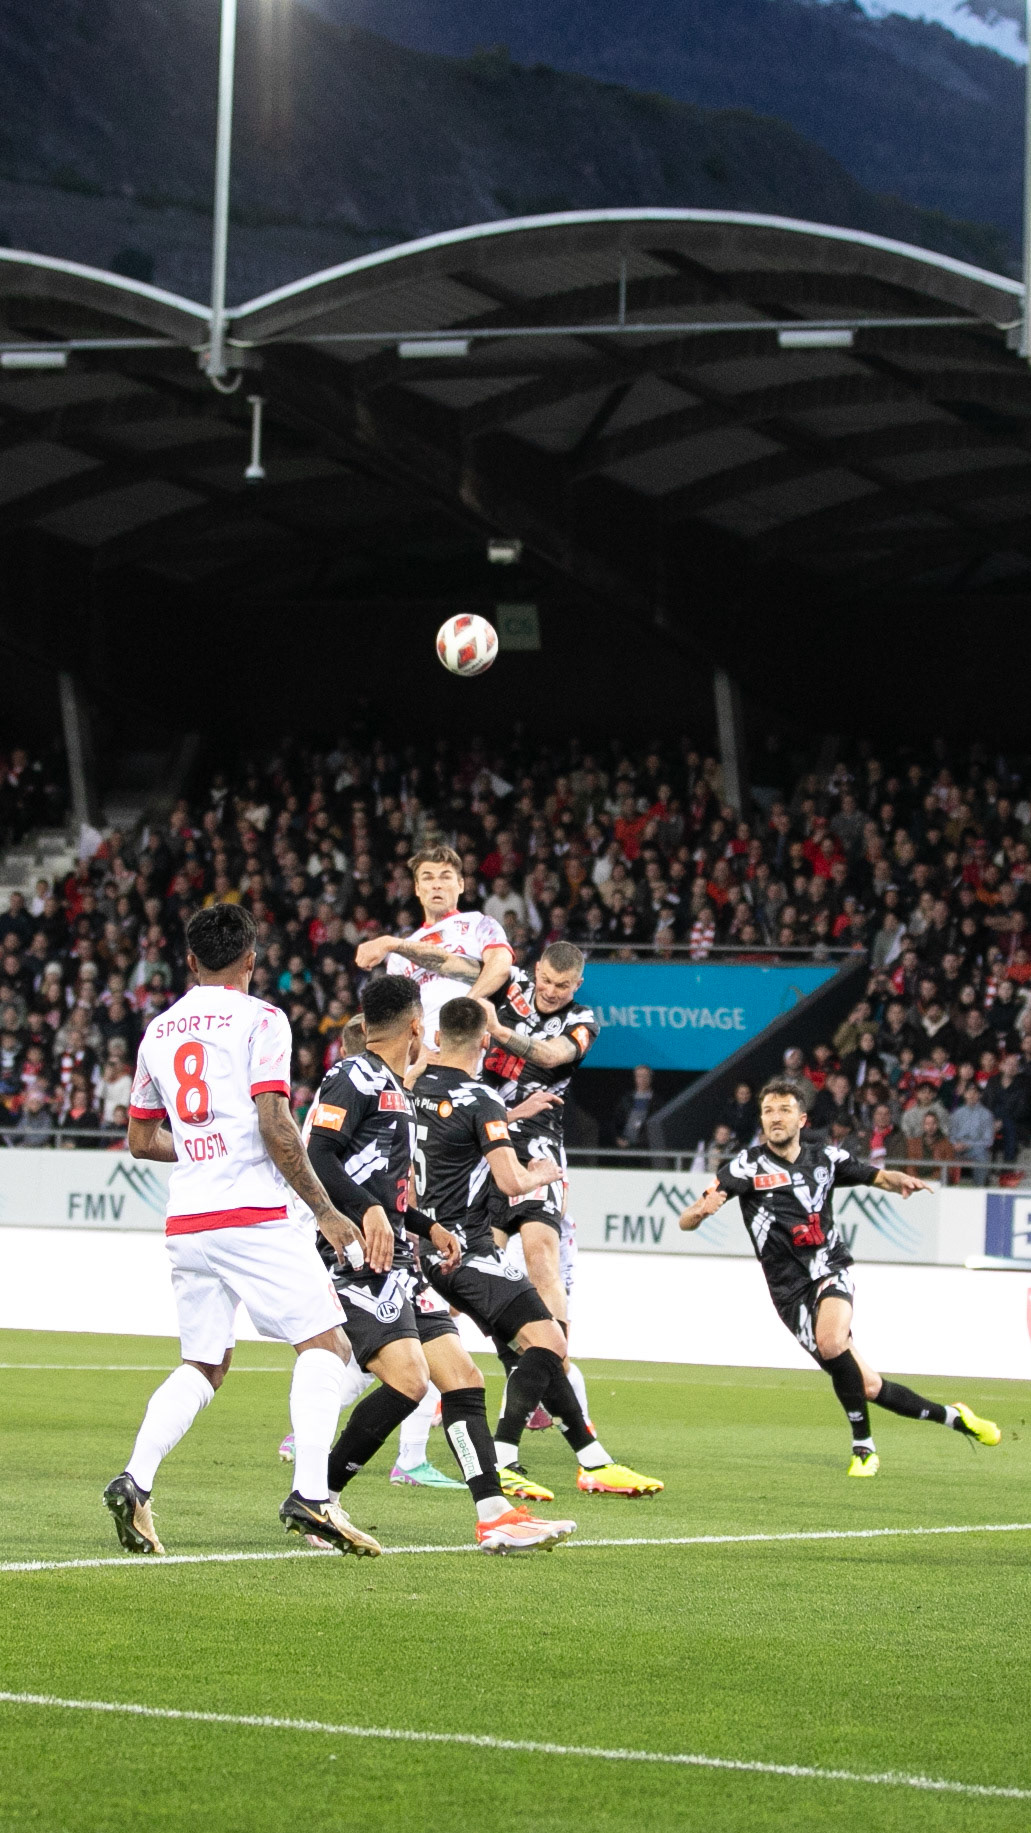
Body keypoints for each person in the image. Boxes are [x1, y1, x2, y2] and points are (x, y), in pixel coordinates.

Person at [104, 903, 380, 1561]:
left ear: (190, 960)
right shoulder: (262, 1019)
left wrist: (203, 1150)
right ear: (251, 960)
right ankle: (311, 1494)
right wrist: (323, 1209)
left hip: (187, 1219)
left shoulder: (158, 1030)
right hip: (251, 1215)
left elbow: (140, 1139)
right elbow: (276, 1124)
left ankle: (135, 1481)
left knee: (204, 1362)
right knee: (328, 1344)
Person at [304, 974, 575, 1553]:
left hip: (402, 1255)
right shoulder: (352, 1075)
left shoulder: (398, 1088)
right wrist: (366, 1212)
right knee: (408, 1382)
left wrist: (426, 1226)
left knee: (463, 1378)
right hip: (360, 1254)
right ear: (414, 1027)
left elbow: (385, 1185)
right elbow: (317, 1155)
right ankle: (316, 1496)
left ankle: (494, 1515)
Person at [678, 1077, 1000, 1476]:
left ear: (802, 1118)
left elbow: (876, 1176)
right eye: (768, 1111)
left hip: (829, 1268)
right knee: (867, 1386)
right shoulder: (745, 1167)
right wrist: (701, 1211)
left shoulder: (826, 1158)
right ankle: (955, 1417)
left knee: (831, 1341)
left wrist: (898, 1180)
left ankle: (863, 1447)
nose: (775, 1118)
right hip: (788, 1293)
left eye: (784, 1110)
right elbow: (685, 1219)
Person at [414, 995, 660, 1500]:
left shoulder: (414, 1087)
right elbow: (510, 1181)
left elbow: (452, 1127)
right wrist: (541, 1174)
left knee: (528, 1349)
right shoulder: (481, 1098)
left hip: (429, 1246)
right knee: (551, 1342)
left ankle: (594, 1462)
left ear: (437, 1037)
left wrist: (509, 1113)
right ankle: (504, 1459)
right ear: (486, 1041)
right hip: (469, 1250)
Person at [354, 844, 513, 1041]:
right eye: (428, 878)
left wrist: (467, 1004)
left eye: (445, 877)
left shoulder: (479, 923)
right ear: (417, 888)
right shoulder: (398, 956)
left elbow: (501, 966)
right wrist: (421, 1053)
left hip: (472, 1041)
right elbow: (399, 1016)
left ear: (461, 885)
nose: (437, 885)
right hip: (423, 1051)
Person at [949, 1082, 996, 1186]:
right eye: (969, 1092)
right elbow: (951, 1135)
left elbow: (988, 1141)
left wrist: (968, 1144)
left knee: (982, 1156)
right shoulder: (957, 1113)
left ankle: (979, 1186)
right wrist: (955, 1144)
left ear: (980, 1095)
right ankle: (946, 1185)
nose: (971, 1095)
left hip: (976, 1148)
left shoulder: (986, 1114)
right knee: (945, 1151)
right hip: (958, 1147)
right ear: (964, 1094)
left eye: (975, 1093)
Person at [612, 1064, 656, 1149]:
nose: (642, 1080)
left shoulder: (657, 1103)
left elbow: (654, 1129)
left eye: (645, 1076)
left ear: (650, 1078)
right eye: (639, 1076)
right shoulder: (626, 1100)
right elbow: (616, 1122)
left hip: (645, 1149)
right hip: (623, 1148)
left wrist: (636, 1143)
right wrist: (617, 1138)